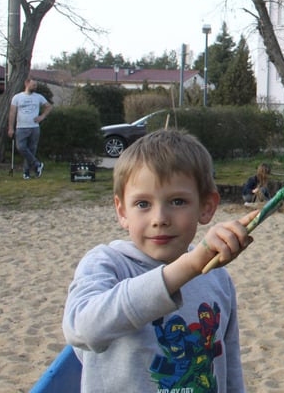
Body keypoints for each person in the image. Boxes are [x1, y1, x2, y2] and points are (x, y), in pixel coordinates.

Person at [63, 129, 259, 392]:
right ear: (122, 211)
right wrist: (188, 266)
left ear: (206, 207)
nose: (159, 219)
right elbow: (81, 328)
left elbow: (229, 365)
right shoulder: (107, 264)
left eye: (177, 201)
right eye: (143, 204)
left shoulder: (217, 276)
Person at [7, 76, 52, 180]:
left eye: (36, 85)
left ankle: (26, 172)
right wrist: (10, 128)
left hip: (34, 127)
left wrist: (42, 117)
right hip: (21, 127)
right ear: (26, 84)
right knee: (21, 147)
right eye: (33, 85)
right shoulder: (17, 97)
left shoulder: (38, 97)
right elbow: (12, 113)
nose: (35, 87)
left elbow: (49, 106)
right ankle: (37, 164)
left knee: (32, 150)